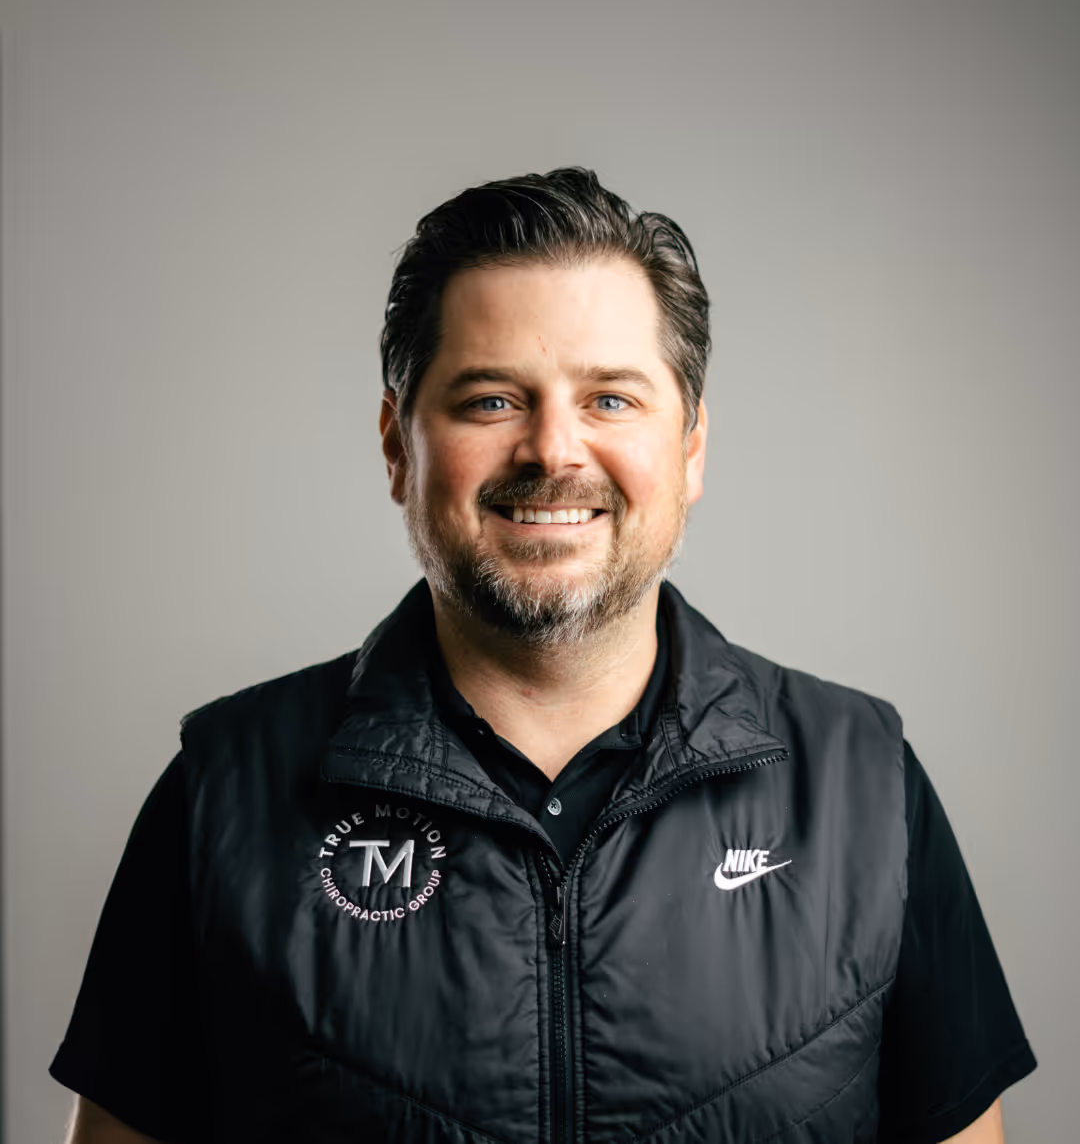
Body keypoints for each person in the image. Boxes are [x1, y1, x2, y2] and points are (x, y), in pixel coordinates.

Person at [52, 167, 1036, 1143]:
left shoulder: (866, 788)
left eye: (610, 400)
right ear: (398, 445)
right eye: (489, 402)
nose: (552, 451)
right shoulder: (223, 793)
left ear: (690, 449)